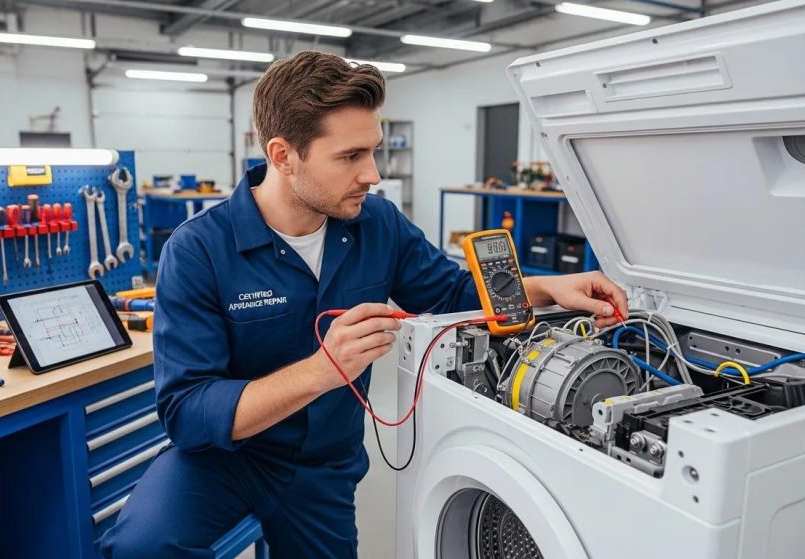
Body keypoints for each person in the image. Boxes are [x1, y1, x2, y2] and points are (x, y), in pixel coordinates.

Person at [99, 50, 628, 559]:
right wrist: (321, 371)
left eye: (372, 150)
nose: (372, 174)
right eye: (350, 156)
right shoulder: (198, 250)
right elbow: (188, 412)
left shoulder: (378, 224)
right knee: (141, 546)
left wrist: (548, 287)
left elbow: (450, 293)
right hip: (225, 459)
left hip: (323, 463)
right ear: (283, 156)